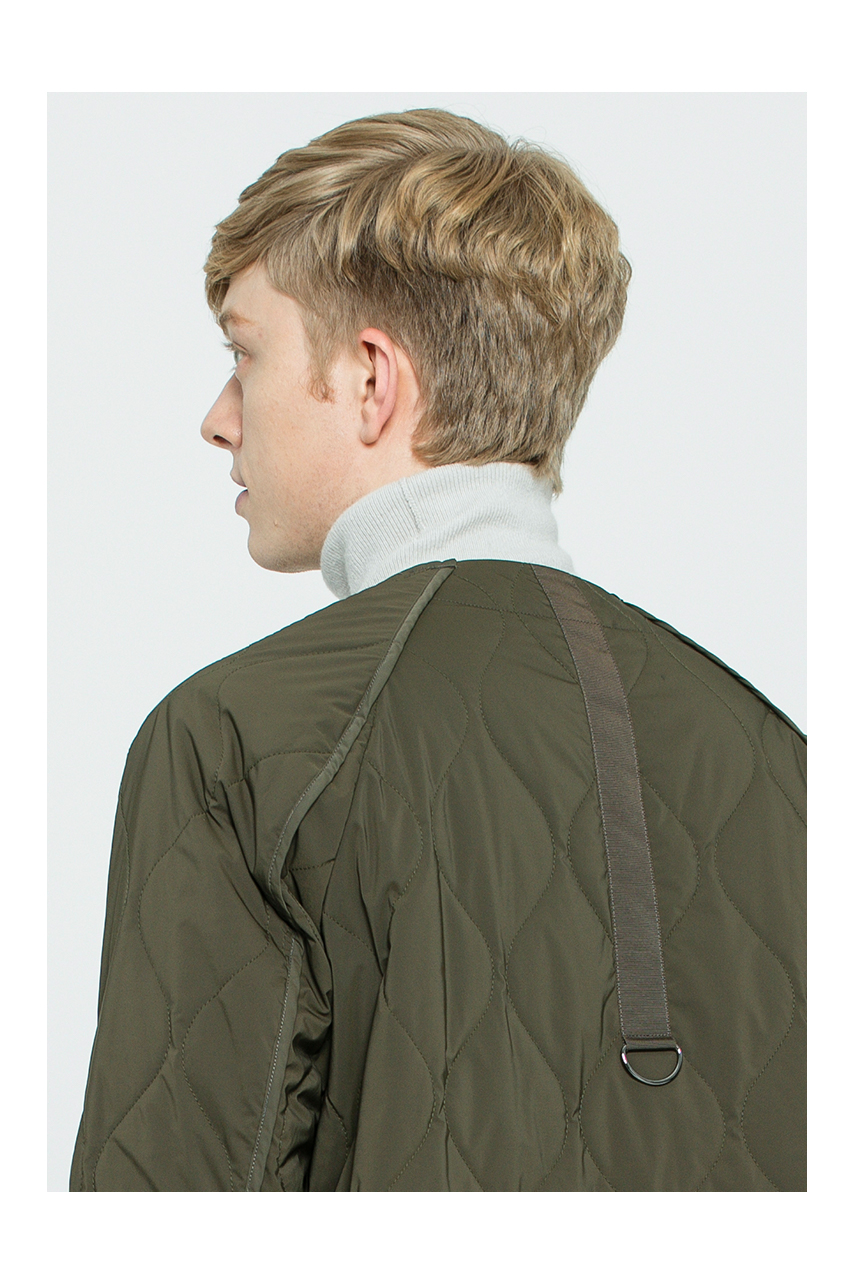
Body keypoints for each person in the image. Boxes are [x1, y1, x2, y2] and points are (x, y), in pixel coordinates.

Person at [70, 108, 806, 1192]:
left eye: (244, 352)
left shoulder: (237, 741)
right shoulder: (778, 754)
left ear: (372, 380)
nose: (219, 418)